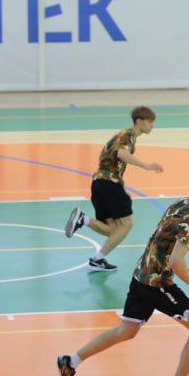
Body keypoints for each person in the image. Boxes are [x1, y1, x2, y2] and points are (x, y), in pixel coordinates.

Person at [57, 165, 189, 376]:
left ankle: (70, 362)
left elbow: (162, 243)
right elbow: (175, 260)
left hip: (141, 274)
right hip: (156, 283)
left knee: (126, 330)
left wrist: (182, 269)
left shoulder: (180, 204)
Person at [63, 106, 163, 272]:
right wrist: (147, 166)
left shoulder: (124, 135)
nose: (152, 126)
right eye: (150, 122)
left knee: (114, 230)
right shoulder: (127, 135)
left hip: (98, 183)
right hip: (109, 183)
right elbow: (121, 154)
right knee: (127, 224)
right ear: (139, 122)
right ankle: (97, 259)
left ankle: (83, 219)